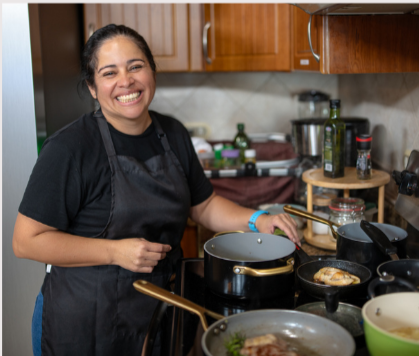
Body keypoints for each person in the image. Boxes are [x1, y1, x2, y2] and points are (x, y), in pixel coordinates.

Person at [12, 24, 300, 356]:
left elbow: (202, 206)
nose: (126, 81)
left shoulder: (173, 132)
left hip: (157, 309)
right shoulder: (69, 148)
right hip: (84, 324)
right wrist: (114, 252)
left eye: (135, 66)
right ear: (93, 87)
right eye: (109, 73)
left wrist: (257, 220)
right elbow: (26, 240)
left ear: (151, 70)